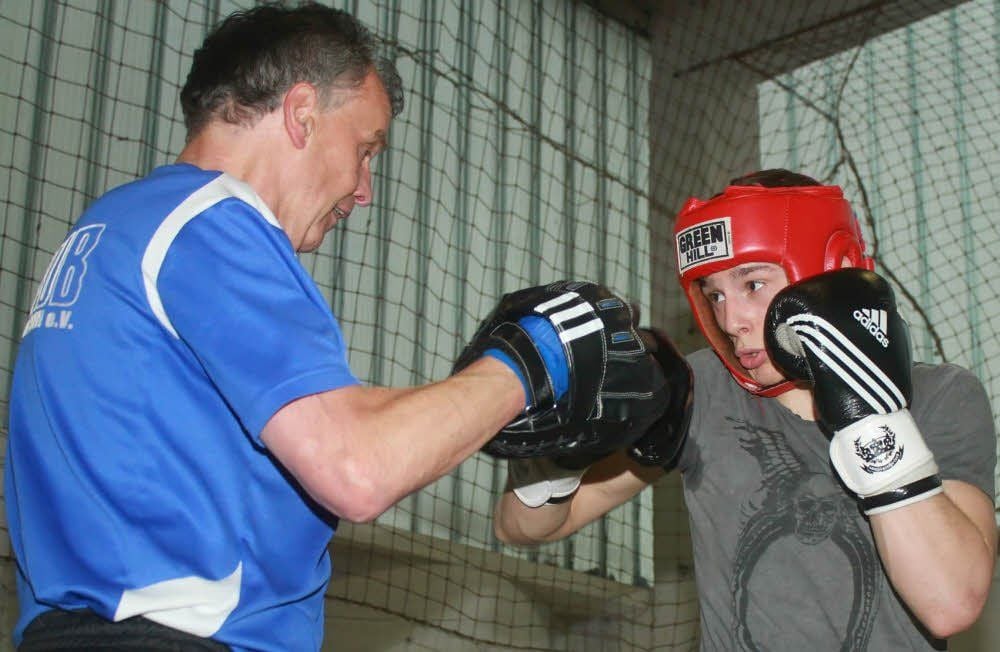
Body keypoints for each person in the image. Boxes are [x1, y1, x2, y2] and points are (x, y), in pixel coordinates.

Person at [3, 3, 668, 650]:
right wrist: (535, 356)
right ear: (300, 114)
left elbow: (327, 421)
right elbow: (356, 467)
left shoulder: (124, 223)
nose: (365, 188)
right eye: (365, 148)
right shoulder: (214, 221)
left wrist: (479, 406)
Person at [493, 169, 998, 650]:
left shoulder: (940, 396)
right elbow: (522, 527)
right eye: (714, 295)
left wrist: (871, 413)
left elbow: (951, 604)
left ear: (832, 271)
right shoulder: (699, 389)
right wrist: (562, 453)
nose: (731, 319)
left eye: (753, 285)